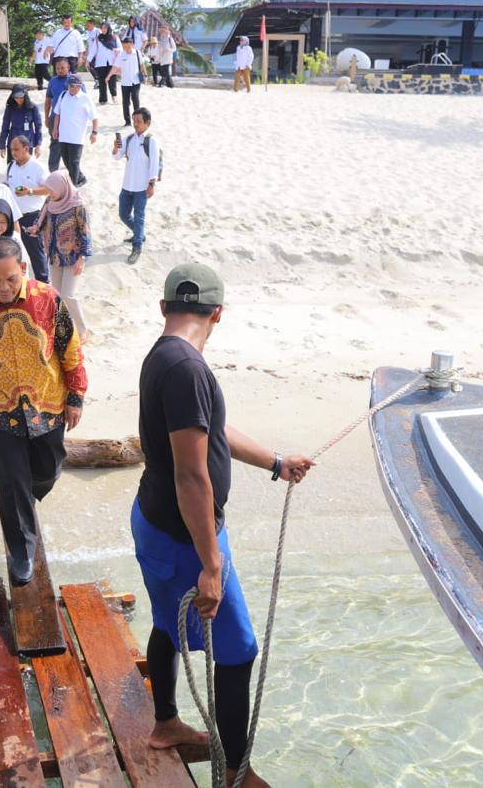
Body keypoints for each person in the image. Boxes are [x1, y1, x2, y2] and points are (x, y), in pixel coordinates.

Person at [131, 263, 314, 788]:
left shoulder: (163, 356)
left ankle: (165, 723)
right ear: (218, 314)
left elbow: (211, 428)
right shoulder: (189, 369)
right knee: (237, 652)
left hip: (154, 521)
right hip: (188, 536)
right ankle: (237, 772)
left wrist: (275, 462)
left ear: (164, 308)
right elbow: (193, 476)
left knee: (168, 621)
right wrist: (212, 564)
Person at [0, 235, 88, 585]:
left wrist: (76, 395)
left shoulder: (48, 300)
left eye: (11, 278)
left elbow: (69, 348)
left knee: (48, 469)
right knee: (10, 485)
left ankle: (31, 497)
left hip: (48, 402)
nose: (4, 287)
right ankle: (21, 553)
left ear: (23, 269)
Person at [18, 170, 92, 339]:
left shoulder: (78, 205)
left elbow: (86, 233)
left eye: (52, 189)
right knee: (57, 295)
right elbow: (41, 220)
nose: (49, 192)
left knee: (68, 294)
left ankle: (82, 330)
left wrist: (82, 259)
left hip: (73, 257)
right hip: (54, 255)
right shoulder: (51, 200)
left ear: (63, 186)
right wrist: (34, 229)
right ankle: (64, 327)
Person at [113, 107, 160, 265]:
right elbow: (117, 156)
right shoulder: (130, 138)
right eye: (134, 121)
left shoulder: (151, 141)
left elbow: (154, 164)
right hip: (127, 185)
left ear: (147, 123)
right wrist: (116, 147)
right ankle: (139, 234)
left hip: (141, 187)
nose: (135, 124)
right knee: (123, 214)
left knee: (139, 217)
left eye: (139, 121)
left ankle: (137, 246)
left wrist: (151, 184)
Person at [6, 135, 50, 283]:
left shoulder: (38, 167)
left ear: (26, 148)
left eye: (17, 149)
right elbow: (8, 185)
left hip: (32, 216)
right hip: (13, 217)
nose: (13, 152)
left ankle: (44, 284)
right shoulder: (11, 166)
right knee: (14, 253)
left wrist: (29, 191)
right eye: (11, 149)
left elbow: (50, 189)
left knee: (36, 253)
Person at [51, 75, 98, 187]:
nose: (70, 88)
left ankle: (73, 186)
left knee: (74, 162)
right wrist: (55, 129)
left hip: (77, 136)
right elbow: (57, 114)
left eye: (72, 85)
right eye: (69, 85)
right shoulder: (63, 95)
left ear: (79, 86)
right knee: (67, 161)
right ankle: (81, 178)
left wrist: (94, 133)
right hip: (63, 135)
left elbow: (95, 118)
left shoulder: (85, 98)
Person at [0, 84, 42, 163]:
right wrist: (2, 146)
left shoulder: (33, 108)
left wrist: (38, 145)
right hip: (13, 143)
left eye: (21, 97)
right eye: (16, 97)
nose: (18, 100)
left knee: (27, 169)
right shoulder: (10, 108)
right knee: (12, 168)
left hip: (27, 143)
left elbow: (38, 127)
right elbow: (5, 128)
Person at [43, 58, 73, 174]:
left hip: (70, 119)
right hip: (54, 117)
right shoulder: (53, 81)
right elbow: (48, 100)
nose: (60, 70)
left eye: (62, 68)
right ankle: (53, 169)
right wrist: (46, 117)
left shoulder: (74, 80)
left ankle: (72, 168)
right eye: (57, 68)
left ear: (68, 67)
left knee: (69, 144)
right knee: (55, 142)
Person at [109, 34, 145, 126]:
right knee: (125, 102)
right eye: (124, 47)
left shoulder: (137, 53)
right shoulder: (121, 55)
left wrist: (145, 74)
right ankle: (127, 121)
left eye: (128, 46)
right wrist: (108, 76)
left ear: (132, 44)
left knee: (135, 99)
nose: (127, 48)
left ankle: (137, 120)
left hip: (135, 81)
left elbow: (142, 64)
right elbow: (115, 66)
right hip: (125, 82)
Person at [92, 23, 120, 105]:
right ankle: (103, 99)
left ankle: (114, 97)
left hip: (112, 62)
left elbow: (121, 49)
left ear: (108, 28)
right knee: (101, 82)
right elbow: (93, 50)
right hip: (100, 63)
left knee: (112, 81)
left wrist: (116, 49)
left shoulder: (114, 37)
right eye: (102, 28)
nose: (103, 29)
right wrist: (88, 60)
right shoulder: (98, 38)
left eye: (105, 28)